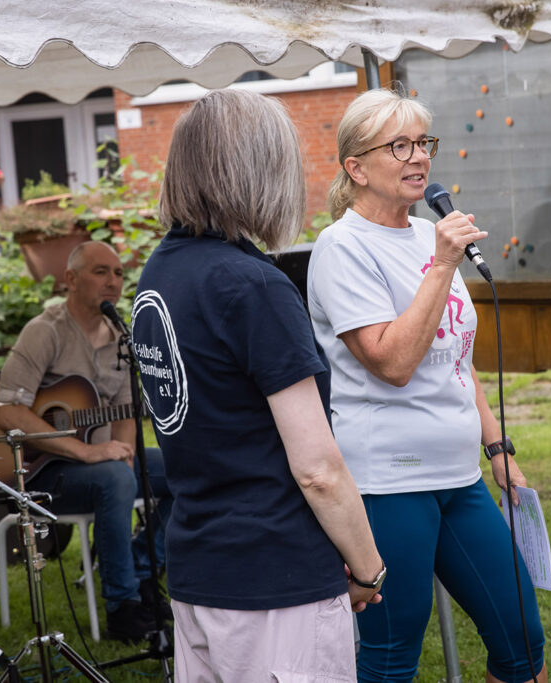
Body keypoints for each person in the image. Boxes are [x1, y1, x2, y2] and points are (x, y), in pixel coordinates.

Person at [130, 89, 384, 682]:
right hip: (276, 581)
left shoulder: (161, 270)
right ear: (262, 170)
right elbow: (318, 468)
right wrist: (368, 569)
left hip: (200, 573)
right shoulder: (254, 286)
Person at [307, 88, 548, 683]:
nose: (418, 158)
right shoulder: (342, 249)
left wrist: (497, 449)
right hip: (389, 482)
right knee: (391, 659)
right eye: (399, 146)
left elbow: (455, 362)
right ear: (355, 167)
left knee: (523, 642)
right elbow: (392, 363)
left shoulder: (426, 233)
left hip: (459, 474)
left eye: (422, 143)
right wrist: (442, 267)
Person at [0, 240, 170, 642]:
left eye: (119, 274)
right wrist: (88, 452)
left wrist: (124, 456)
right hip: (43, 473)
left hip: (104, 464)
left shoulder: (120, 338)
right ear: (70, 279)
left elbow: (126, 412)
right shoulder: (45, 332)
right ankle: (122, 607)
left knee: (186, 466)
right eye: (100, 272)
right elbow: (8, 413)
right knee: (114, 479)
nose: (113, 282)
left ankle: (143, 571)